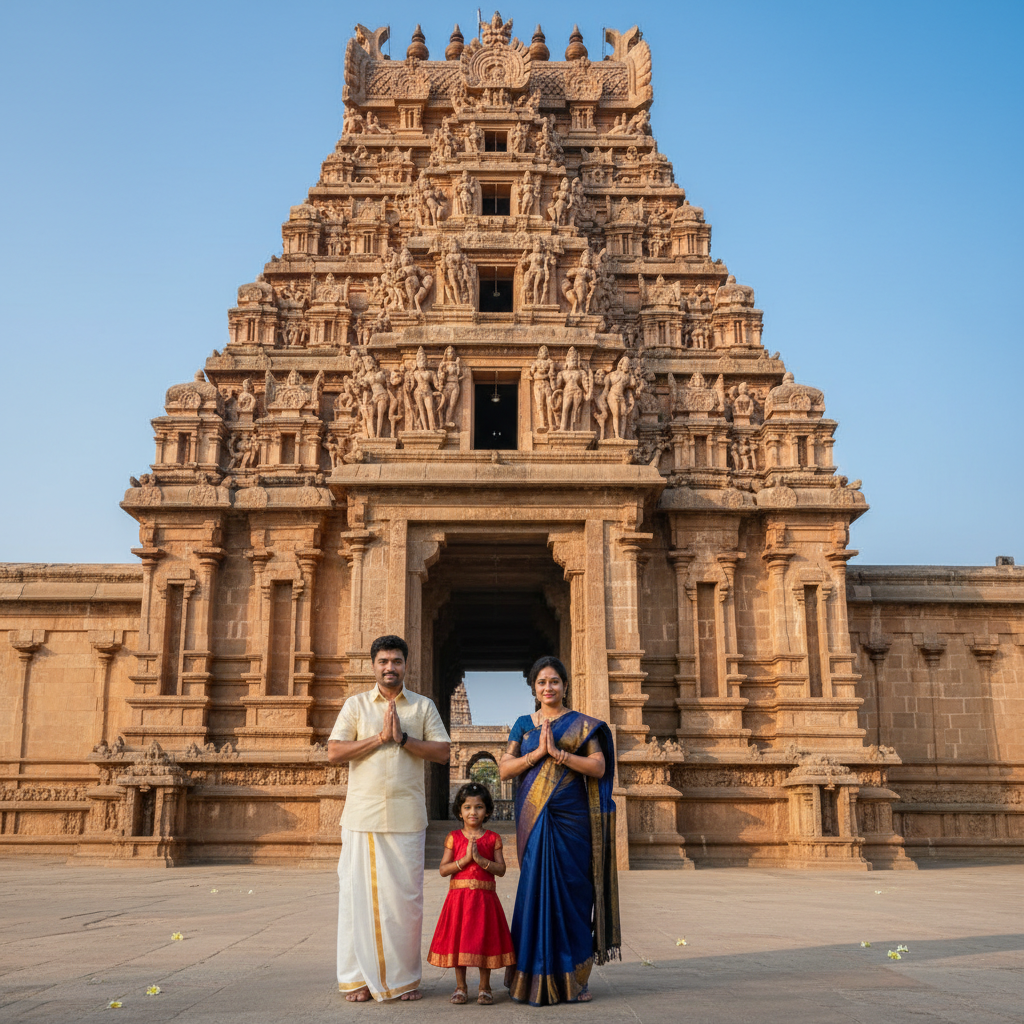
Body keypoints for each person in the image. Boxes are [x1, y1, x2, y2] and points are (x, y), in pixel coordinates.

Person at [327, 634, 451, 1002]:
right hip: (362, 816)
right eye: (383, 661)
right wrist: (379, 738)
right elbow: (334, 751)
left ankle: (403, 978)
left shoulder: (423, 707)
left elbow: (443, 752)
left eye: (396, 661)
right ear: (373, 666)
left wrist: (403, 740)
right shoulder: (356, 705)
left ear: (405, 665)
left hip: (406, 816)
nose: (389, 667)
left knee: (406, 902)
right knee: (355, 898)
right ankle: (356, 978)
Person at [499, 657, 620, 1005]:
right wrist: (537, 754)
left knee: (573, 893)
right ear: (534, 689)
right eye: (541, 682)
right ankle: (528, 977)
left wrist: (561, 755)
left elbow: (598, 767)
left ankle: (574, 978)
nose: (548, 687)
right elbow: (506, 769)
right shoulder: (523, 724)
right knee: (534, 890)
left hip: (573, 820)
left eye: (554, 681)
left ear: (565, 686)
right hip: (534, 818)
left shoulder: (583, 726)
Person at [427, 782, 516, 1004]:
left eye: (478, 807)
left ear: (487, 811)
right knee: (459, 942)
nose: (472, 812)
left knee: (484, 942)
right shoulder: (454, 837)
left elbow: (502, 869)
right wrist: (465, 860)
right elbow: (443, 869)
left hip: (485, 900)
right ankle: (461, 987)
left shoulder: (493, 838)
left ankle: (485, 987)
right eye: (467, 807)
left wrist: (481, 861)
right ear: (459, 811)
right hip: (459, 900)